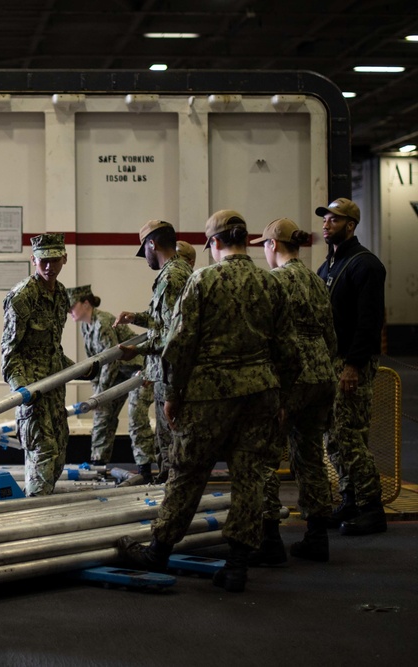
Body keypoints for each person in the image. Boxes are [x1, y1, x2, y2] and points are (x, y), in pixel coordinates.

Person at [118, 210, 300, 593]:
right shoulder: (271, 285)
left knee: (187, 471)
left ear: (214, 243)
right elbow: (288, 349)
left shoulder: (203, 280)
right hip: (261, 394)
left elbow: (179, 345)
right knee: (250, 476)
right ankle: (236, 565)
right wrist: (282, 396)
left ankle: (160, 550)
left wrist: (172, 394)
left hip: (210, 396)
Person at [249, 218, 337, 563]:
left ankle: (270, 541)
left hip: (290, 378)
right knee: (311, 455)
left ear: (272, 245)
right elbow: (330, 330)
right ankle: (317, 536)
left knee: (266, 457)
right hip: (321, 376)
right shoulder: (317, 279)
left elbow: (268, 335)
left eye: (264, 247)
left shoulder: (275, 281)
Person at [315, 197, 388, 535]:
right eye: (326, 218)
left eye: (335, 218)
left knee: (349, 436)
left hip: (350, 364)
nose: (327, 223)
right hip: (331, 362)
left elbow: (369, 323)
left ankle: (372, 507)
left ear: (351, 225)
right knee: (333, 435)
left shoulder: (365, 266)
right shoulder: (327, 267)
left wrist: (354, 366)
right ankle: (350, 498)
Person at [115, 220, 192, 483]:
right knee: (168, 448)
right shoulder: (178, 272)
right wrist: (134, 317)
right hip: (166, 375)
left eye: (144, 251)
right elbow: (164, 321)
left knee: (170, 451)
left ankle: (170, 504)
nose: (145, 259)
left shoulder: (171, 277)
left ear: (152, 244)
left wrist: (136, 349)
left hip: (169, 376)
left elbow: (173, 335)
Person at [1, 233, 74, 497]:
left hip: (55, 390)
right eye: (43, 260)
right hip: (33, 392)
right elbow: (9, 354)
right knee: (42, 456)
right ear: (33, 259)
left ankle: (40, 515)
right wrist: (22, 390)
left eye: (54, 259)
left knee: (58, 459)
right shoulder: (23, 296)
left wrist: (81, 367)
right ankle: (34, 520)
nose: (48, 266)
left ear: (64, 258)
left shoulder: (62, 294)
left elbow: (52, 349)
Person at [67, 284, 155, 481]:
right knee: (102, 415)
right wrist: (97, 396)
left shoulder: (103, 322)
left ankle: (145, 469)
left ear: (86, 303)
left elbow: (111, 361)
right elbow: (96, 365)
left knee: (136, 417)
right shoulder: (86, 326)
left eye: (72, 306)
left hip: (140, 370)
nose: (69, 311)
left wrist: (98, 396)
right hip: (119, 374)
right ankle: (98, 466)